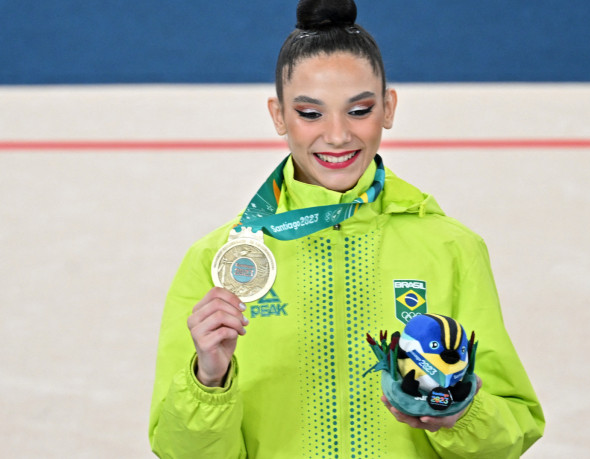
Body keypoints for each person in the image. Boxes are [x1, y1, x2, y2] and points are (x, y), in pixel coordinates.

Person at [149, 0, 545, 457]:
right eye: (311, 113)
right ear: (278, 116)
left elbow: (513, 432)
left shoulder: (452, 249)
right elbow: (179, 452)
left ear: (388, 108)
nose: (337, 135)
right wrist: (208, 379)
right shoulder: (219, 262)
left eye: (359, 110)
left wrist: (460, 414)